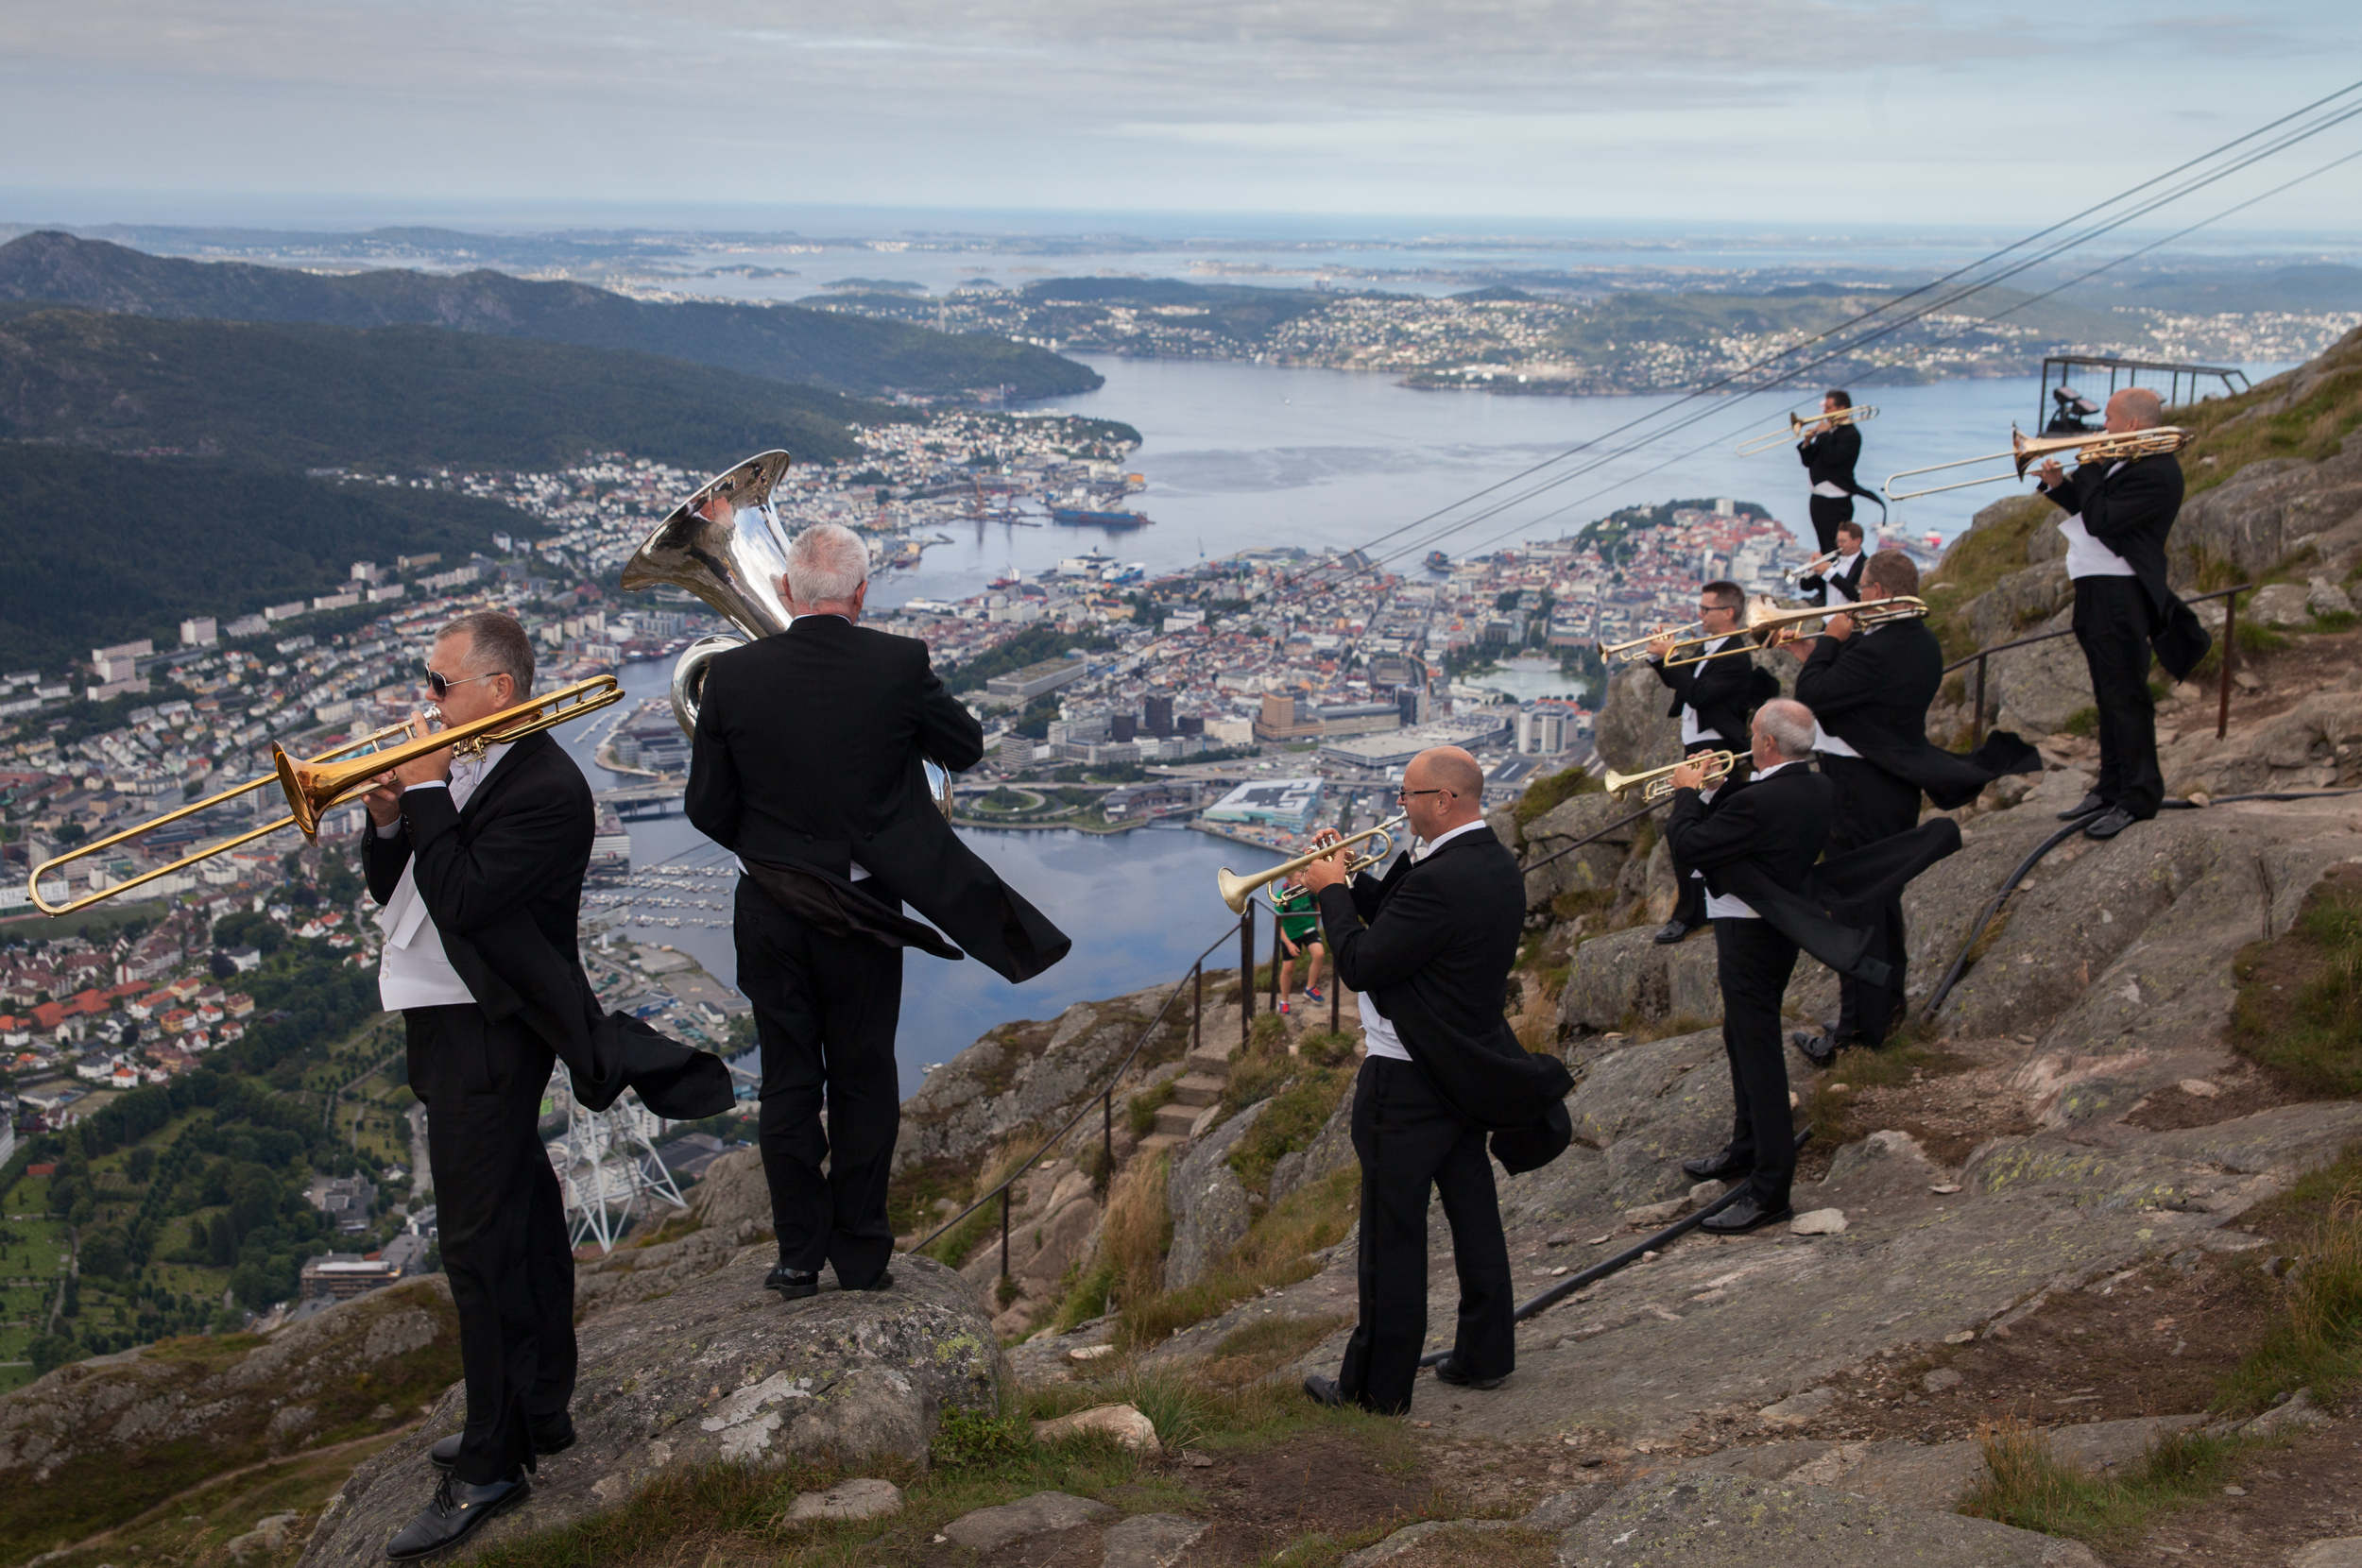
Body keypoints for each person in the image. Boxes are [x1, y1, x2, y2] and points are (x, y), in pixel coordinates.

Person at [365, 611, 731, 1560]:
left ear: (499, 688)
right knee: (525, 1221)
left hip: (490, 1035)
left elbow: (463, 898)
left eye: (440, 684)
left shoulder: (547, 788)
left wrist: (426, 790)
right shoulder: (467, 765)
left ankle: (491, 1464)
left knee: (476, 1252)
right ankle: (538, 1406)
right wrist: (391, 815)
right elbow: (396, 888)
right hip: (449, 1023)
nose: (425, 701)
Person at [687, 522, 1070, 1302]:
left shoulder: (729, 676)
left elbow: (705, 808)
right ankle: (861, 1257)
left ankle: (797, 1260)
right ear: (861, 594)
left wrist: (772, 849)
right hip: (863, 911)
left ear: (787, 591)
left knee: (788, 1081)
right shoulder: (898, 663)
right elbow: (964, 747)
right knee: (863, 1076)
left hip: (769, 910)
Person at [1292, 747, 1573, 1416]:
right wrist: (1351, 876)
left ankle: (1375, 1392)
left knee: (1391, 1237)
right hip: (1460, 1069)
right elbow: (1407, 924)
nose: (1400, 805)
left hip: (1404, 1079)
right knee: (1473, 1213)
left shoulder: (1441, 878)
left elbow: (1362, 962)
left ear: (1444, 800)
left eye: (1408, 794)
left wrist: (1330, 893)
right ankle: (1484, 1355)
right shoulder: (1489, 862)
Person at [1785, 552, 2041, 1057]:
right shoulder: (1917, 640)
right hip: (1888, 784)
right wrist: (1812, 650)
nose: (1856, 598)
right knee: (1881, 902)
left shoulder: (1879, 647)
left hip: (1857, 787)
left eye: (1862, 588)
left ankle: (1856, 1031)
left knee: (1855, 904)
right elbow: (1852, 695)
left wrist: (1829, 642)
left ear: (1879, 592)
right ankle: (1885, 1011)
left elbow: (1812, 695)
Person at [1661, 699, 1831, 1234]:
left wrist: (1687, 792)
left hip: (1749, 931)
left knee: (1759, 1056)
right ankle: (1746, 1146)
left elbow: (1690, 845)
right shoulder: (1815, 786)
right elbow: (1749, 825)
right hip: (1775, 927)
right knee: (1740, 1037)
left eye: (1754, 733)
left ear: (1768, 744)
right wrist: (1715, 791)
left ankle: (1770, 1190)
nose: (1749, 740)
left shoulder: (1762, 800)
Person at [2035, 386, 2212, 840]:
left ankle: (2139, 795)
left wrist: (2089, 466)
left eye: (2110, 419)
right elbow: (2094, 509)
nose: (2102, 427)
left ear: (2132, 423)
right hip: (2095, 586)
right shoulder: (2127, 461)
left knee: (2126, 696)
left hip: (2122, 592)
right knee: (2107, 693)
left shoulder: (2159, 471)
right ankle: (2110, 786)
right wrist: (2060, 485)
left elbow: (2102, 520)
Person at [1646, 581, 1766, 946]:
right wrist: (1659, 660)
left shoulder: (1735, 655)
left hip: (1716, 749)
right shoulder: (1709, 647)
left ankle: (1690, 914)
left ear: (1728, 613)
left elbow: (1698, 694)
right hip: (1698, 746)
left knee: (1687, 828)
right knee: (1692, 828)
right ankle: (1698, 908)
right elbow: (1684, 686)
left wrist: (1671, 654)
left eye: (1705, 609)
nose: (1698, 615)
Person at [1798, 390, 1884, 555]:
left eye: (1829, 408)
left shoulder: (1851, 434)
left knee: (1835, 547)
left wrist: (1823, 435)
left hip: (1836, 501)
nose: (1824, 412)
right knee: (1824, 545)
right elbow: (1808, 462)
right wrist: (1807, 442)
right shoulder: (1830, 431)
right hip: (1818, 497)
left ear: (1842, 408)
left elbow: (1832, 458)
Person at [1272, 869, 1326, 1014]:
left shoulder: (1309, 890)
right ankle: (1284, 1001)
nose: (1302, 882)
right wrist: (1288, 944)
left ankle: (1310, 987)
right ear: (1288, 881)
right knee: (1288, 967)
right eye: (1298, 880)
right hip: (1291, 934)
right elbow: (1278, 922)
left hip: (1308, 928)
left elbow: (1317, 907)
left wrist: (1315, 926)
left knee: (1319, 954)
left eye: (1303, 878)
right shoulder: (1282, 896)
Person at [1796, 519, 1868, 608]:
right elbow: (1806, 587)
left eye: (1843, 541)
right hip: (1826, 614)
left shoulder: (1866, 565)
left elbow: (1856, 595)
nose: (1839, 545)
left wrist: (1829, 572)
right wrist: (1811, 568)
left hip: (1849, 615)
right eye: (1838, 541)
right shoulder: (1831, 559)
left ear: (1857, 541)